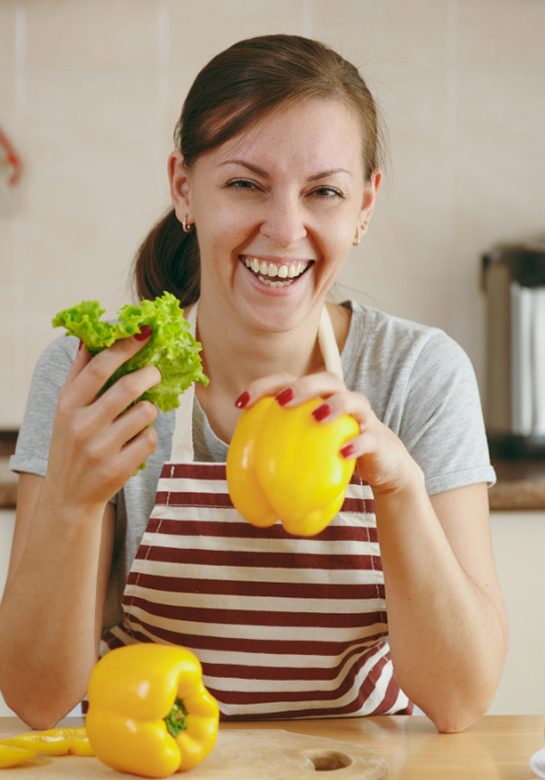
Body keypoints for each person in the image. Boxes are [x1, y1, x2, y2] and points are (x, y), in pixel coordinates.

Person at [0, 34, 507, 733]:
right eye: (245, 184)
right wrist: (71, 501)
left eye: (324, 192)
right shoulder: (99, 375)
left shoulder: (417, 373)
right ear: (184, 188)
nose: (285, 228)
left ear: (365, 204)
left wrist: (400, 490)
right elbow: (35, 698)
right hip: (154, 769)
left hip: (361, 770)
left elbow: (459, 700)